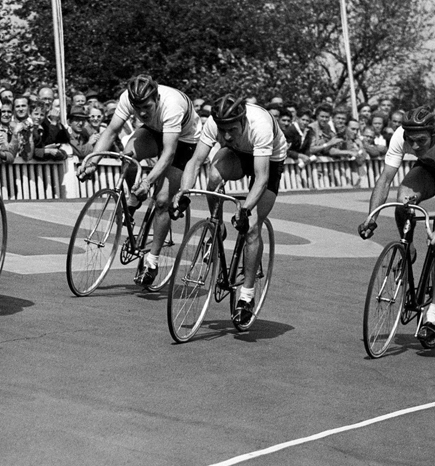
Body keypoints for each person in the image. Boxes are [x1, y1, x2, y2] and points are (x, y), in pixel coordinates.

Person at [357, 105, 435, 343]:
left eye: (421, 140)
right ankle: (407, 248)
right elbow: (386, 178)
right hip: (428, 168)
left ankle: (433, 314)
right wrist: (372, 217)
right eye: (412, 141)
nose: (416, 146)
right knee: (403, 201)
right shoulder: (401, 137)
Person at [80, 72, 200, 288]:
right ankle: (133, 201)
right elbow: (111, 131)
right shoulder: (128, 97)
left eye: (147, 107)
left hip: (183, 141)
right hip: (155, 130)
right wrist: (92, 161)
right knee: (127, 155)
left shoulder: (171, 106)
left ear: (157, 99)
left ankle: (152, 261)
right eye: (138, 109)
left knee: (162, 200)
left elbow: (169, 153)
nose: (142, 112)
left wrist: (148, 182)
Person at [180, 95, 289, 324]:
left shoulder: (260, 126)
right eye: (223, 130)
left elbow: (261, 178)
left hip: (269, 161)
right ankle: (216, 227)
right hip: (238, 154)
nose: (227, 135)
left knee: (251, 228)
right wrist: (183, 192)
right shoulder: (212, 124)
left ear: (243, 121)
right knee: (213, 175)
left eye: (232, 129)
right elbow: (195, 161)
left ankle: (247, 297)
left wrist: (245, 209)